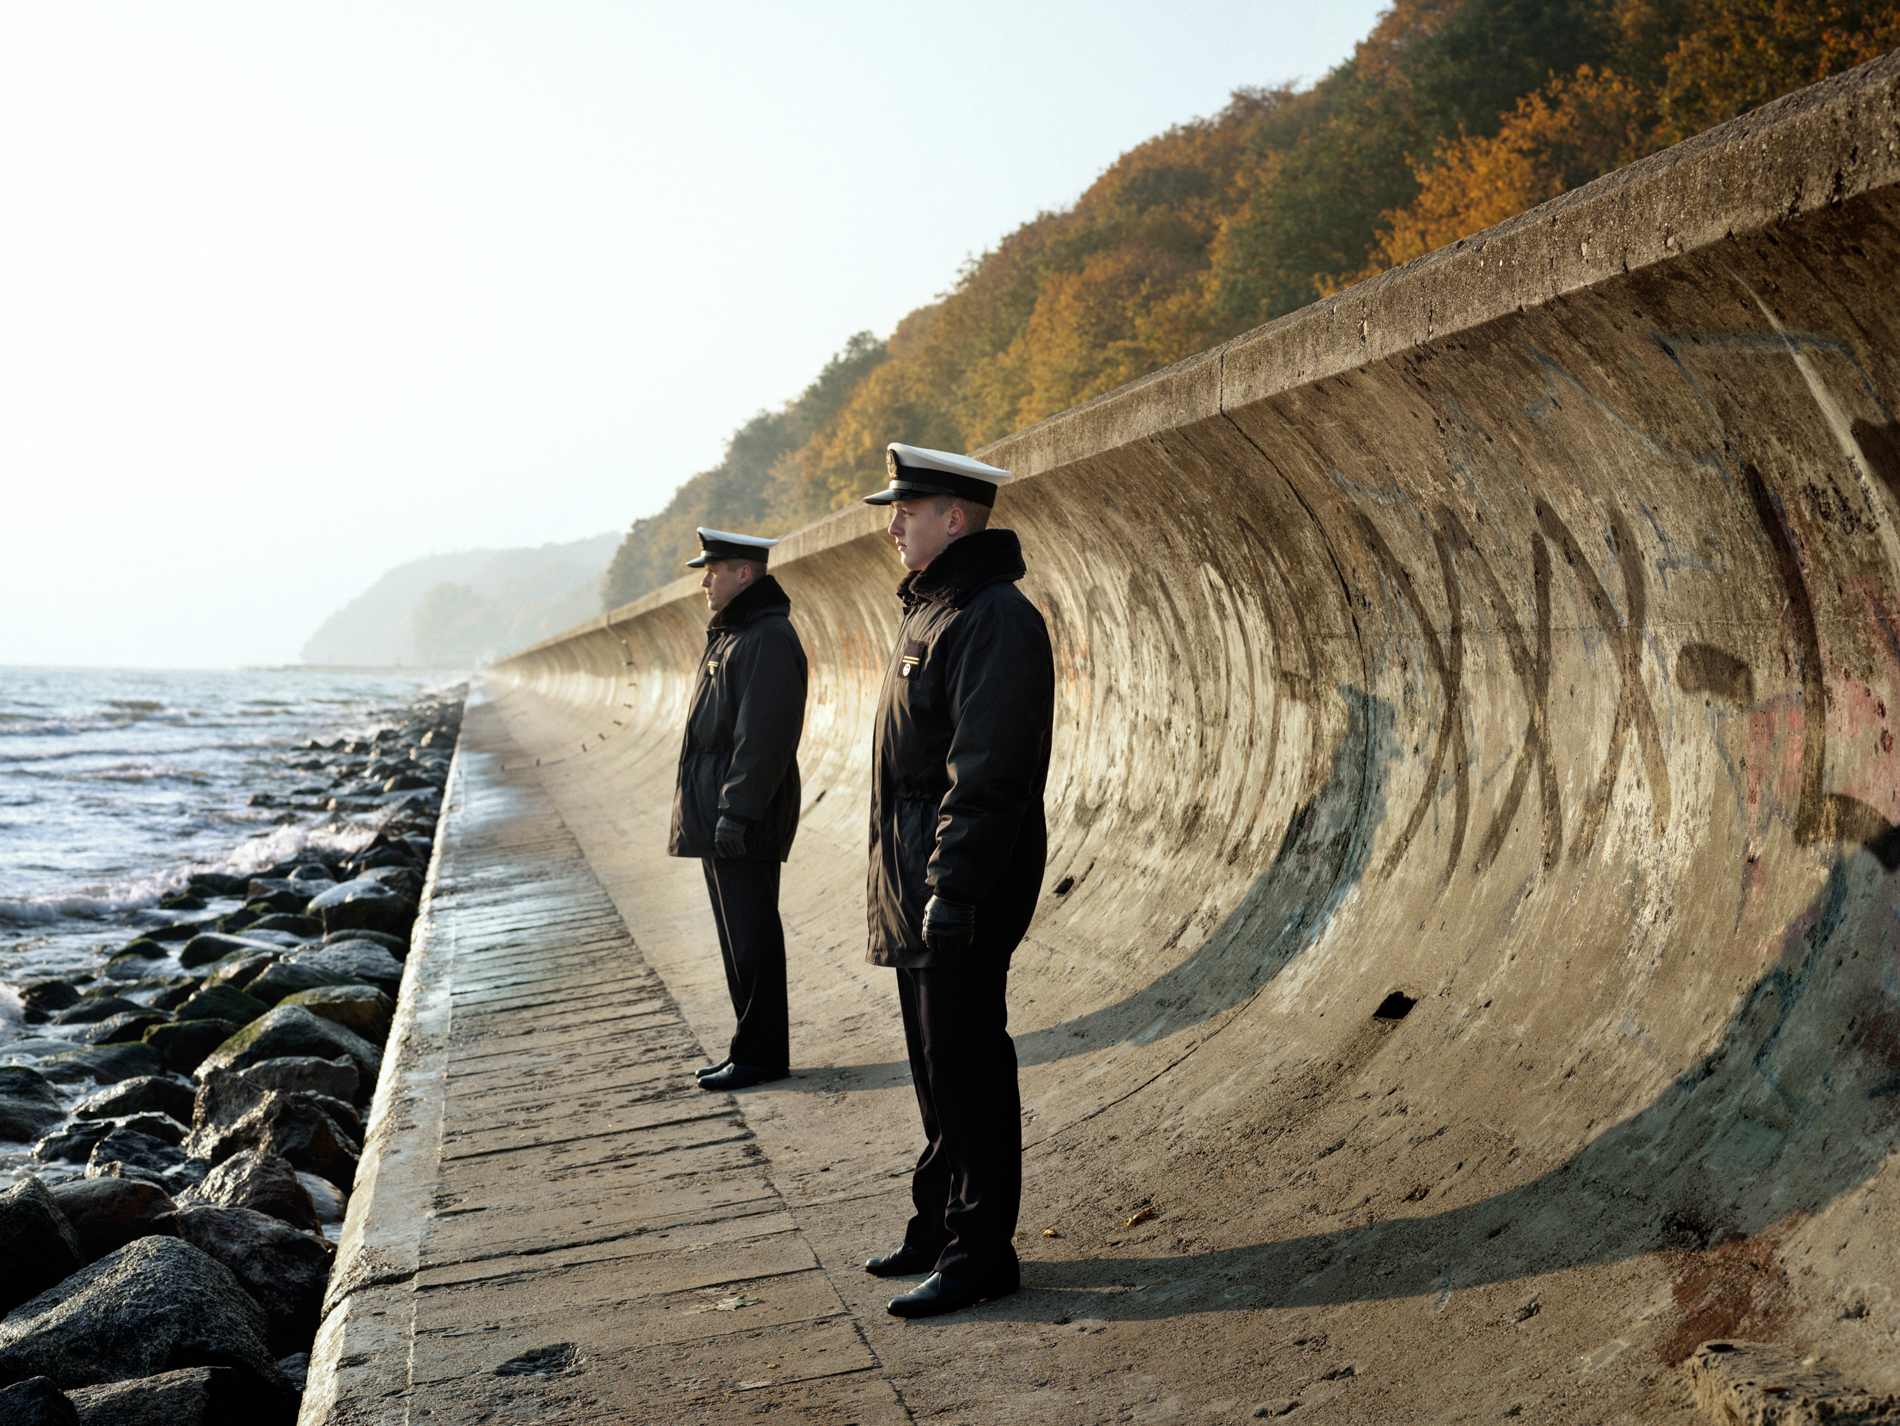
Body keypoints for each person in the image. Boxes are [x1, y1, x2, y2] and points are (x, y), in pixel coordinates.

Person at [858, 443, 1055, 1318]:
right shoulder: (935, 609)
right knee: (936, 1066)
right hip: (917, 877)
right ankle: (940, 1221)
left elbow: (988, 772)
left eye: (910, 508)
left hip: (958, 882)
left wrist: (955, 886)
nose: (894, 524)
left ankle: (982, 1251)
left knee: (969, 1066)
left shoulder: (993, 617)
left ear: (957, 518)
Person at [668, 526, 809, 1092]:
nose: (704, 580)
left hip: (741, 818)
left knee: (753, 940)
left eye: (714, 569)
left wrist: (737, 812)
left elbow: (765, 737)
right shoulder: (733, 634)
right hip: (721, 815)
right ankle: (749, 1048)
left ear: (744, 573)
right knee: (736, 940)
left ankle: (764, 1053)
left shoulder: (767, 637)